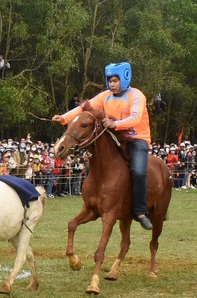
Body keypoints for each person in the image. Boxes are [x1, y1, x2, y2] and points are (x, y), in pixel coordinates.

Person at [52, 61, 154, 230]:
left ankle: (140, 211)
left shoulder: (136, 95)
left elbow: (135, 118)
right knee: (97, 162)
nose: (111, 84)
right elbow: (85, 108)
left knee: (138, 171)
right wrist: (64, 118)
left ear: (125, 78)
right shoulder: (105, 95)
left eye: (115, 80)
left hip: (137, 139)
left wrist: (116, 124)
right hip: (113, 136)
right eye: (109, 81)